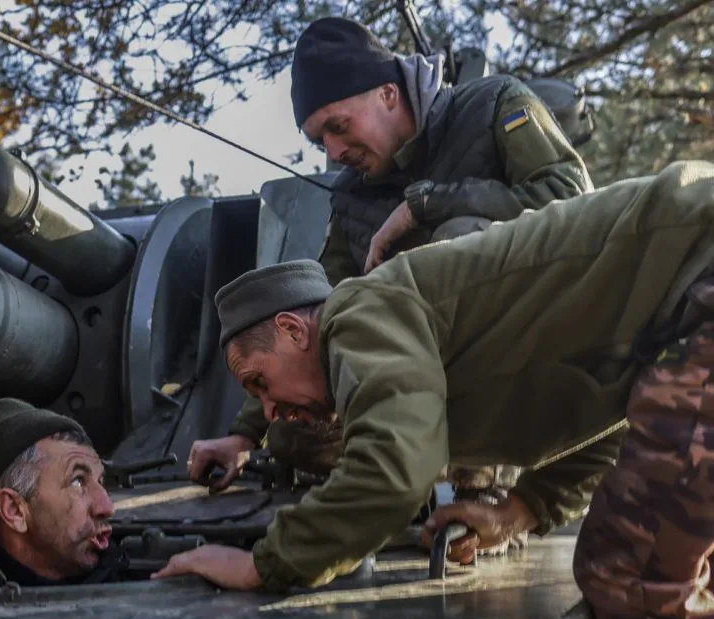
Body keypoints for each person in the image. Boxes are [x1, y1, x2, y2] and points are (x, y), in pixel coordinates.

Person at [156, 161, 714, 619]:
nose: (270, 412)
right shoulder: (415, 336)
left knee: (633, 574)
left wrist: (264, 565)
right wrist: (525, 507)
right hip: (691, 303)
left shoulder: (358, 314)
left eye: (260, 383)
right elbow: (630, 414)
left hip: (701, 270)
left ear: (296, 331)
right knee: (674, 557)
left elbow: (396, 471)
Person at [189, 16, 592, 496]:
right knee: (294, 435)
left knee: (462, 239)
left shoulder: (494, 105)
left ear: (388, 93)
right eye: (321, 140)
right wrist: (245, 434)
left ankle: (492, 473)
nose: (335, 152)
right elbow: (317, 316)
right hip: (420, 390)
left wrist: (426, 205)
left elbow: (573, 201)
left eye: (338, 127)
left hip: (535, 365)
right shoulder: (352, 197)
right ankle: (417, 468)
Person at [0, 398, 127, 587]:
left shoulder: (124, 571)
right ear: (15, 510)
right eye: (77, 482)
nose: (107, 507)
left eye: (100, 481)